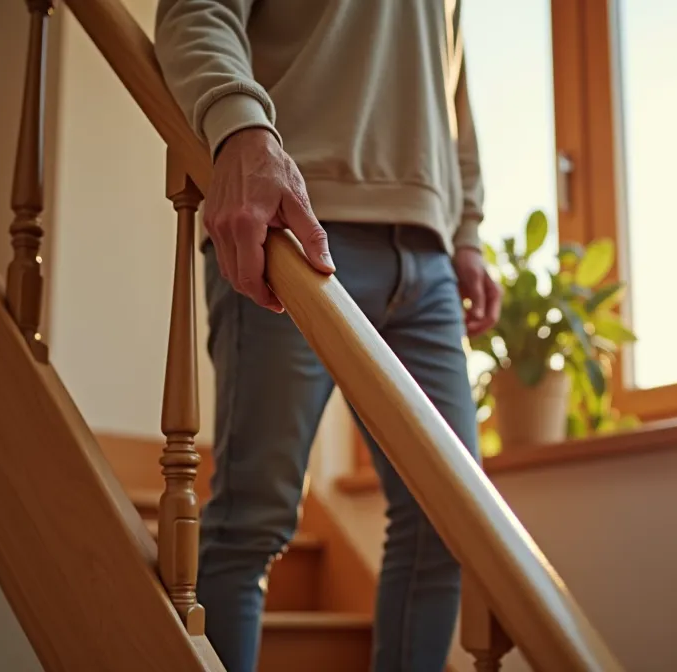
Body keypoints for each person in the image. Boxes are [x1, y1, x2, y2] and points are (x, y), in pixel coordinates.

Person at [154, 2, 501, 671]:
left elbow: (450, 85)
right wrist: (240, 127)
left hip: (428, 260)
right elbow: (197, 11)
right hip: (291, 226)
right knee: (253, 519)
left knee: (447, 524)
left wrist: (467, 233)